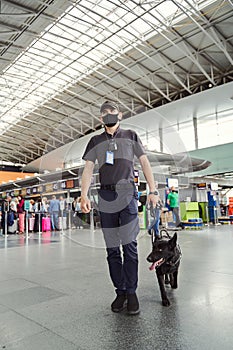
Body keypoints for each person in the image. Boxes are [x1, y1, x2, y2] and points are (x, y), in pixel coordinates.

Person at [80, 100, 158, 315]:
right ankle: (120, 291)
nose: (108, 115)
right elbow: (88, 169)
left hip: (127, 194)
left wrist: (153, 190)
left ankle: (131, 292)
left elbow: (144, 163)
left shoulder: (131, 135)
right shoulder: (95, 140)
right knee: (112, 248)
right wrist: (83, 195)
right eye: (104, 112)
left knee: (129, 246)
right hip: (105, 196)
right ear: (100, 118)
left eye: (112, 112)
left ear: (120, 115)